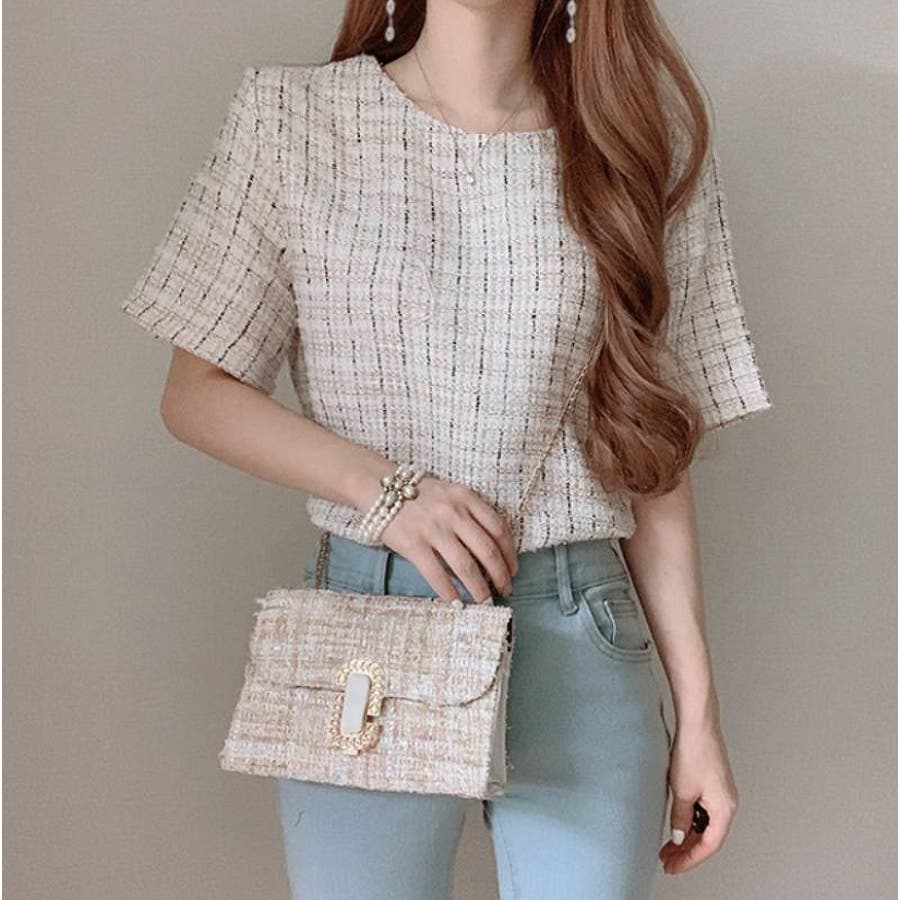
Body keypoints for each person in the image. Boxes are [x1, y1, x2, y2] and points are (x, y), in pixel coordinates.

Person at [120, 2, 773, 897]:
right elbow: (195, 392)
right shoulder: (293, 122)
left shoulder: (632, 143)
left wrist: (699, 716)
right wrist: (386, 491)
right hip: (368, 624)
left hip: (578, 626)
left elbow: (651, 455)